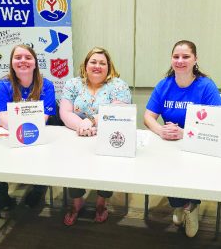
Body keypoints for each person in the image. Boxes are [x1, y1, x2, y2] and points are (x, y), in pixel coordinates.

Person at [144, 40, 221, 237]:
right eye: (176, 56)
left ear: (195, 59)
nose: (180, 61)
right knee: (167, 171)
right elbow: (148, 117)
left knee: (189, 172)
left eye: (186, 56)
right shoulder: (164, 85)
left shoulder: (207, 87)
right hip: (169, 145)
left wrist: (185, 133)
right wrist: (161, 131)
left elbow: (215, 127)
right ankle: (181, 204)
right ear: (171, 60)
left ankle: (190, 207)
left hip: (199, 147)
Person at [59, 47, 131, 225]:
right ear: (85, 65)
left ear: (109, 67)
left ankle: (101, 202)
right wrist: (81, 126)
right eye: (93, 62)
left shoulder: (118, 85)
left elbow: (116, 110)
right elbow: (65, 111)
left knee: (106, 169)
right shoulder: (73, 84)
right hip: (77, 135)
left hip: (107, 136)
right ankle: (77, 202)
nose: (97, 66)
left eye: (102, 63)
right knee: (72, 166)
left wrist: (90, 121)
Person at [0, 44, 56, 210]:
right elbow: (3, 118)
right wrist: (21, 131)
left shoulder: (46, 85)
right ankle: (2, 196)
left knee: (46, 161)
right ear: (12, 63)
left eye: (28, 57)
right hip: (8, 134)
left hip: (36, 134)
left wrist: (25, 131)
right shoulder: (2, 85)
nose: (23, 61)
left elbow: (43, 119)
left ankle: (38, 191)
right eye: (18, 58)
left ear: (35, 63)